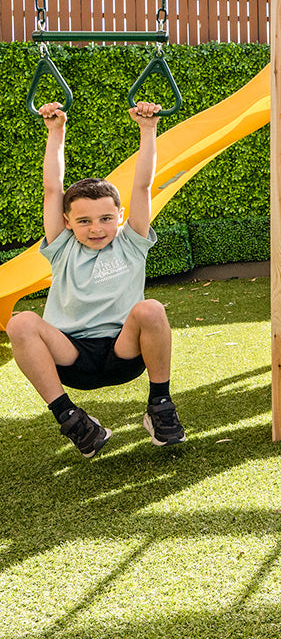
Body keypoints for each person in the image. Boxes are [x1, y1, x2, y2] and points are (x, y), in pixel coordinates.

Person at [7, 100, 184, 458]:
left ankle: (160, 405)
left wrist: (148, 129)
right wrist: (56, 131)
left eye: (105, 218)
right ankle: (72, 419)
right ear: (67, 222)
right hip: (71, 356)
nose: (96, 228)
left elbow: (143, 186)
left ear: (120, 216)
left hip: (124, 351)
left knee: (150, 309)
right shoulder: (62, 247)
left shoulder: (131, 242)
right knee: (20, 322)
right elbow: (53, 189)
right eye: (84, 221)